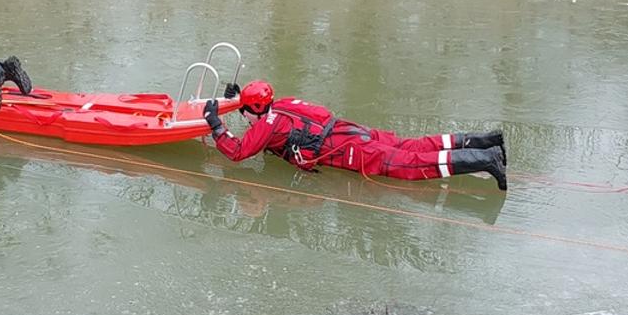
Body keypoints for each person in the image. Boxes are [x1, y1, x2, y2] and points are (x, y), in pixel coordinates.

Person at [203, 80, 508, 190]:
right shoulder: (281, 104)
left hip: (349, 151)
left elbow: (238, 151)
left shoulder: (266, 126)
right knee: (413, 144)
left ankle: (486, 159)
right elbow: (261, 111)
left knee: (413, 165)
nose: (243, 115)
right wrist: (238, 95)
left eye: (244, 109)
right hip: (350, 130)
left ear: (253, 110)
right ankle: (488, 140)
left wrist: (216, 125)